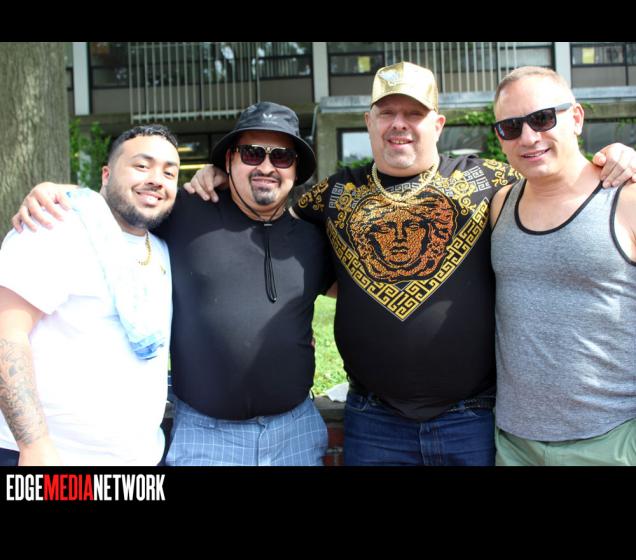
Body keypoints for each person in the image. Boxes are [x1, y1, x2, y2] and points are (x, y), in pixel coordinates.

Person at [13, 64, 636, 467]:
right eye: (387, 113)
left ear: (438, 123)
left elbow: (555, 177)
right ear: (369, 123)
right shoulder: (329, 197)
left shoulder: (494, 182)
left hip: (471, 418)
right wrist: (65, 194)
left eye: (414, 114)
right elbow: (153, 203)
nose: (399, 125)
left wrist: (613, 159)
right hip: (368, 420)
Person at [13, 102, 334, 466]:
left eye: (281, 157)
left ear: (295, 169)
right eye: (251, 153)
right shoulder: (183, 212)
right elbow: (123, 200)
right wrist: (56, 192)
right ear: (229, 160)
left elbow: (356, 293)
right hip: (206, 440)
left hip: (295, 433)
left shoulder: (313, 240)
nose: (265, 166)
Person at [0, 124, 178, 465]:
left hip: (142, 459)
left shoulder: (163, 247)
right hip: (53, 460)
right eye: (142, 166)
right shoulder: (52, 227)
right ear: (106, 174)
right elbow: (6, 333)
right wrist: (34, 446)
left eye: (169, 173)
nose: (157, 179)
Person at [489, 67, 636, 466]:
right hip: (515, 443)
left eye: (542, 118)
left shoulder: (626, 199)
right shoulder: (500, 204)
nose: (528, 137)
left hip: (611, 439)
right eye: (510, 127)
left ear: (576, 118)